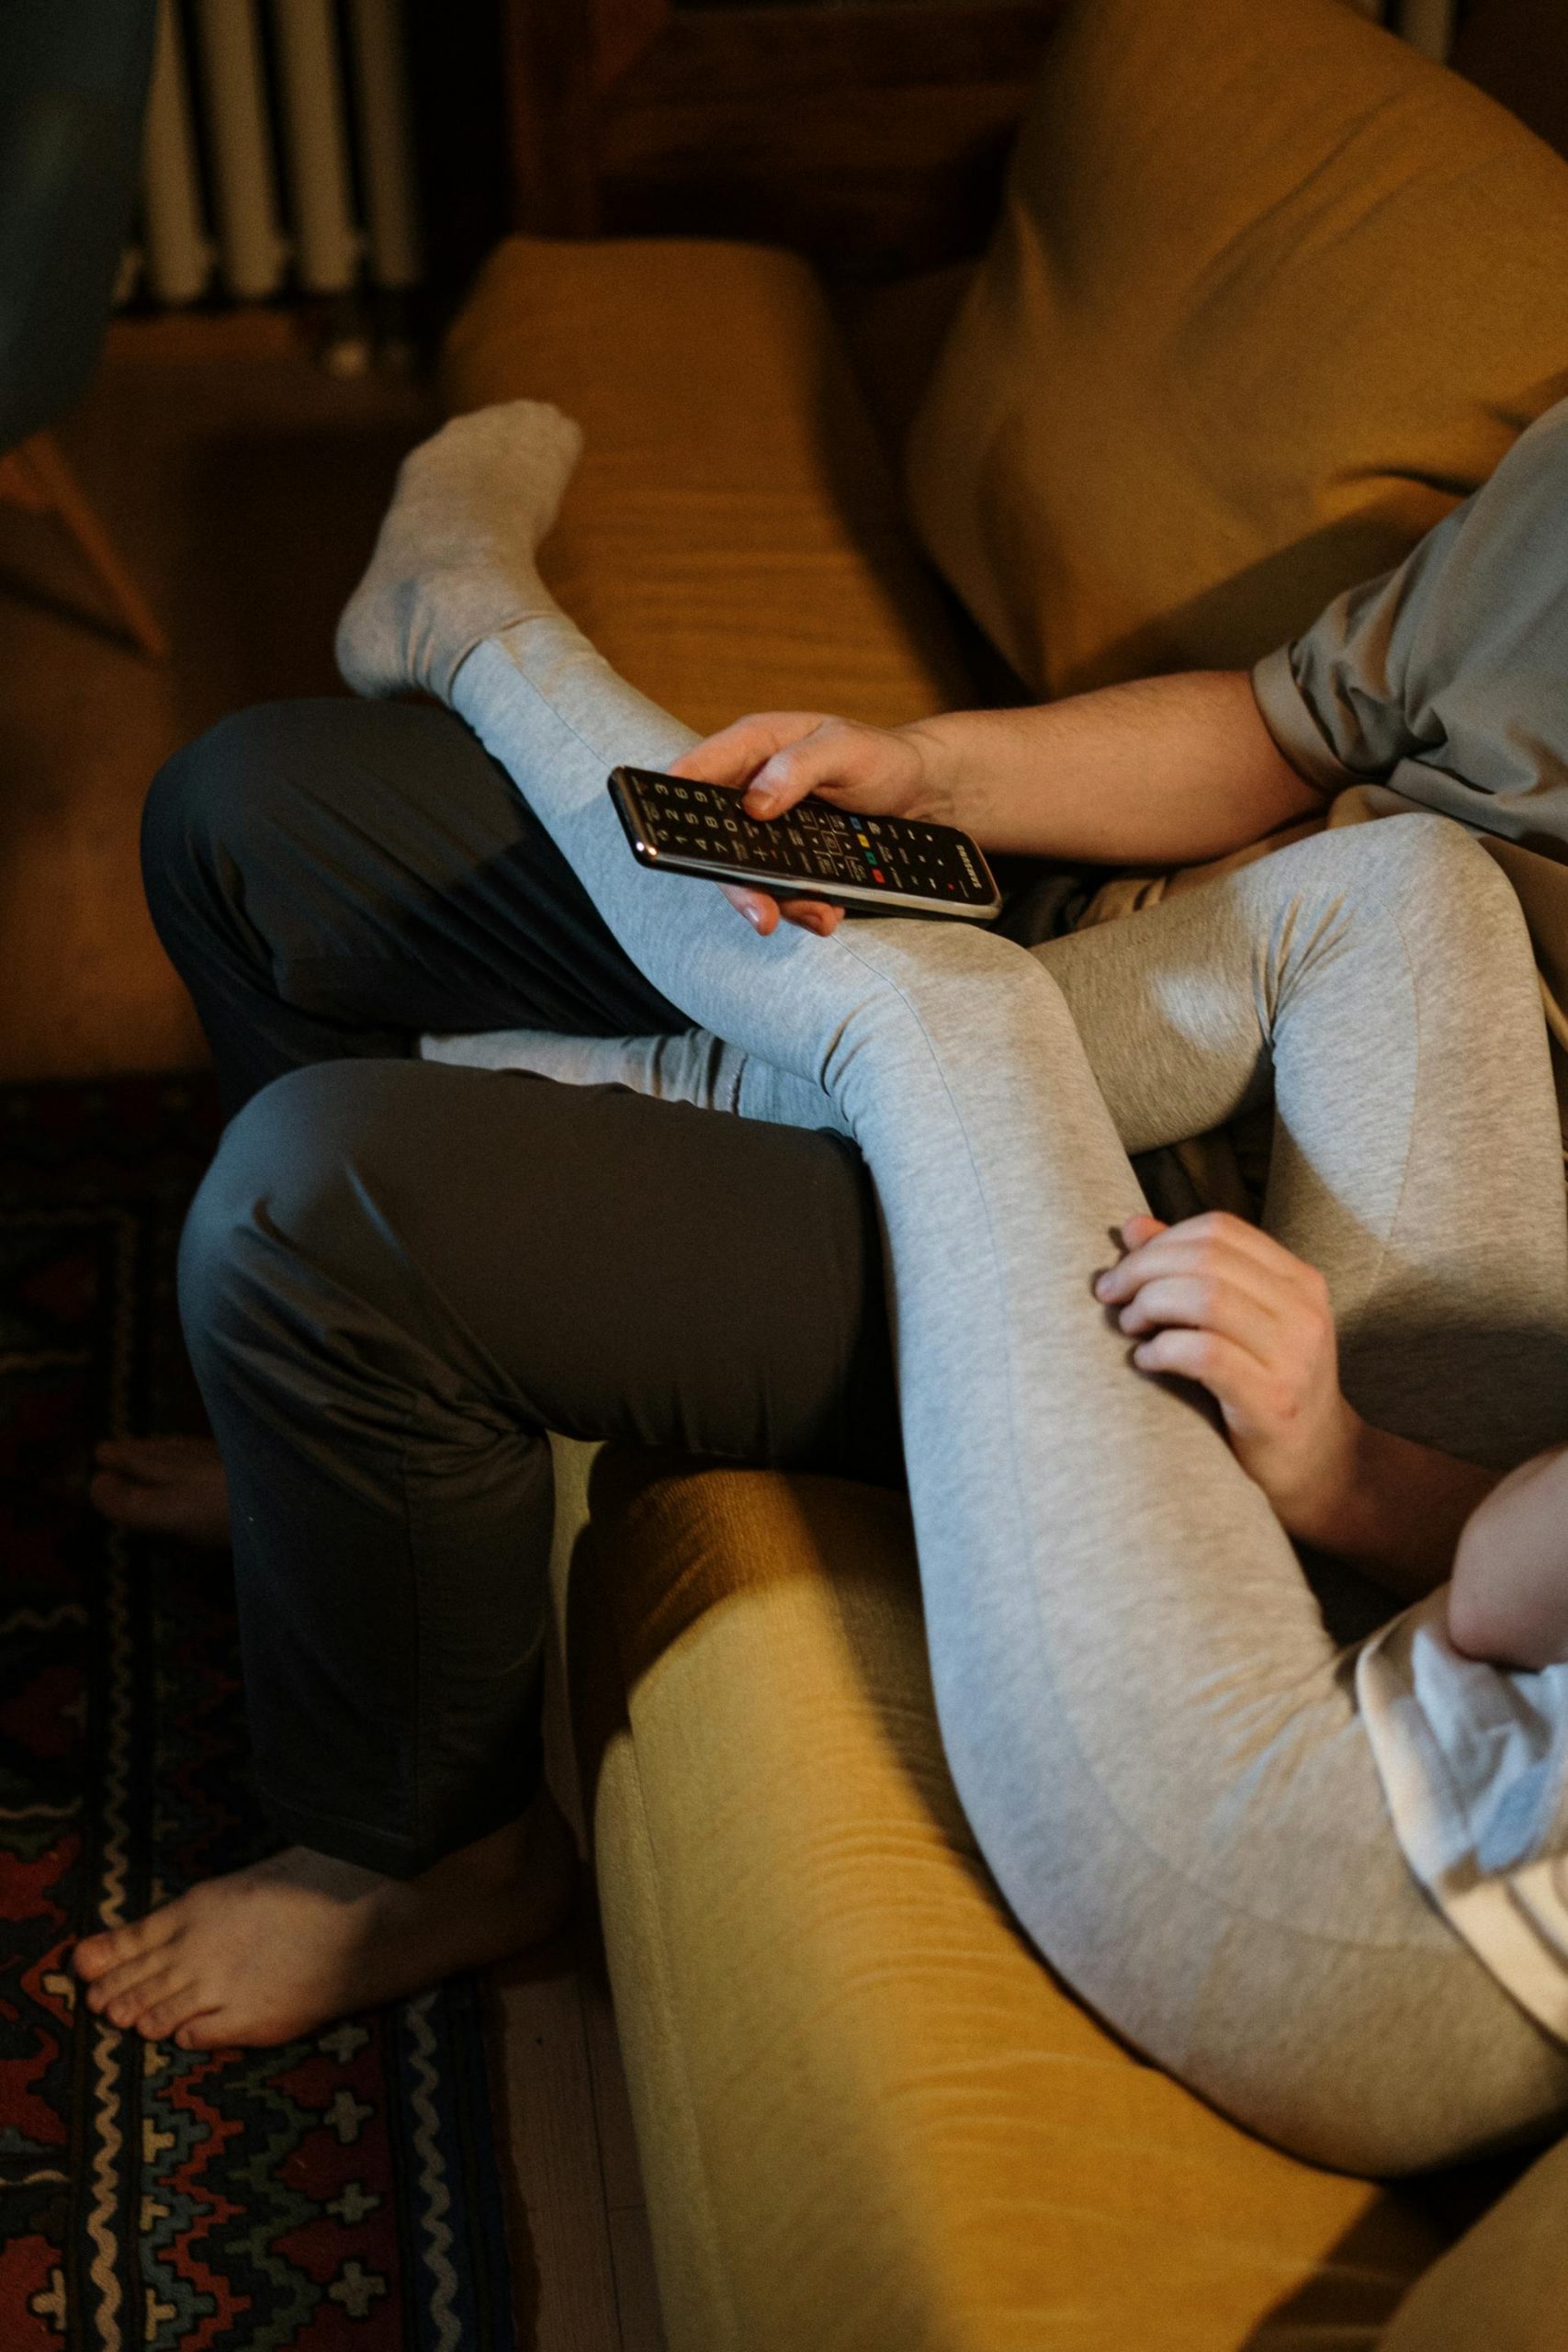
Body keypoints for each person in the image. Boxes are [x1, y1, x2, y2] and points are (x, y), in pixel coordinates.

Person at [75, 398, 1568, 2177]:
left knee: (333, 1196)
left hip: (1323, 1677)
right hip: (1198, 1023)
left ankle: (472, 623)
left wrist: (1340, 1466)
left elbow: (1501, 1573)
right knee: (245, 824)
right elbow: (1283, 726)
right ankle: (337, 1474)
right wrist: (929, 773)